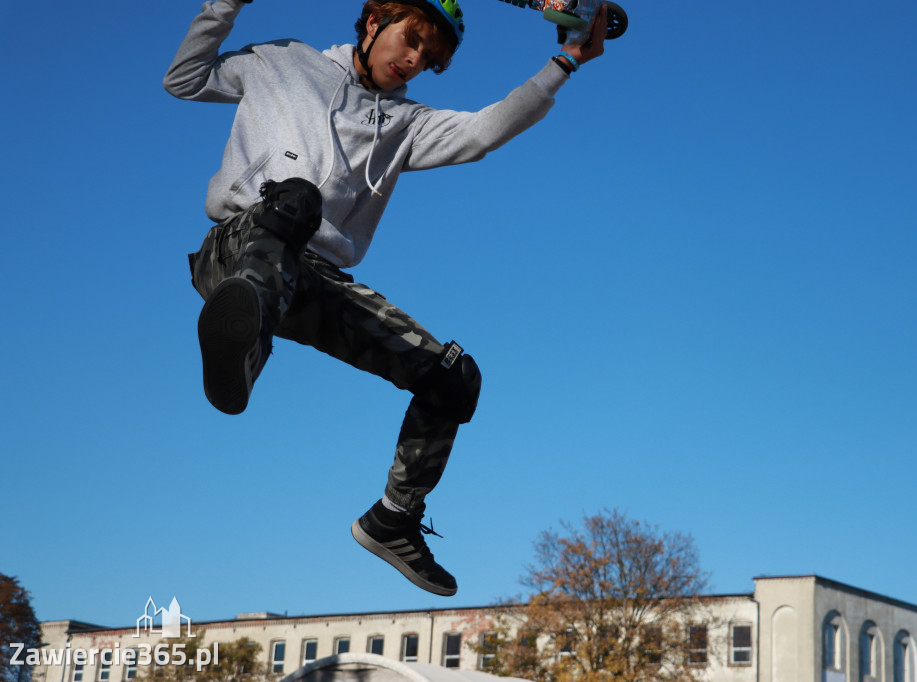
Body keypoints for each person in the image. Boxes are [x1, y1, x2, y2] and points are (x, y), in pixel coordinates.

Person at [164, 0, 608, 596]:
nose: (414, 60)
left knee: (453, 376)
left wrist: (567, 60)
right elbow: (183, 80)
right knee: (295, 201)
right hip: (238, 247)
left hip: (317, 279)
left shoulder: (407, 124)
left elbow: (483, 132)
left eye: (429, 56)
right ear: (373, 23)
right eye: (411, 39)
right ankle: (245, 338)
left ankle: (393, 518)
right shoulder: (281, 62)